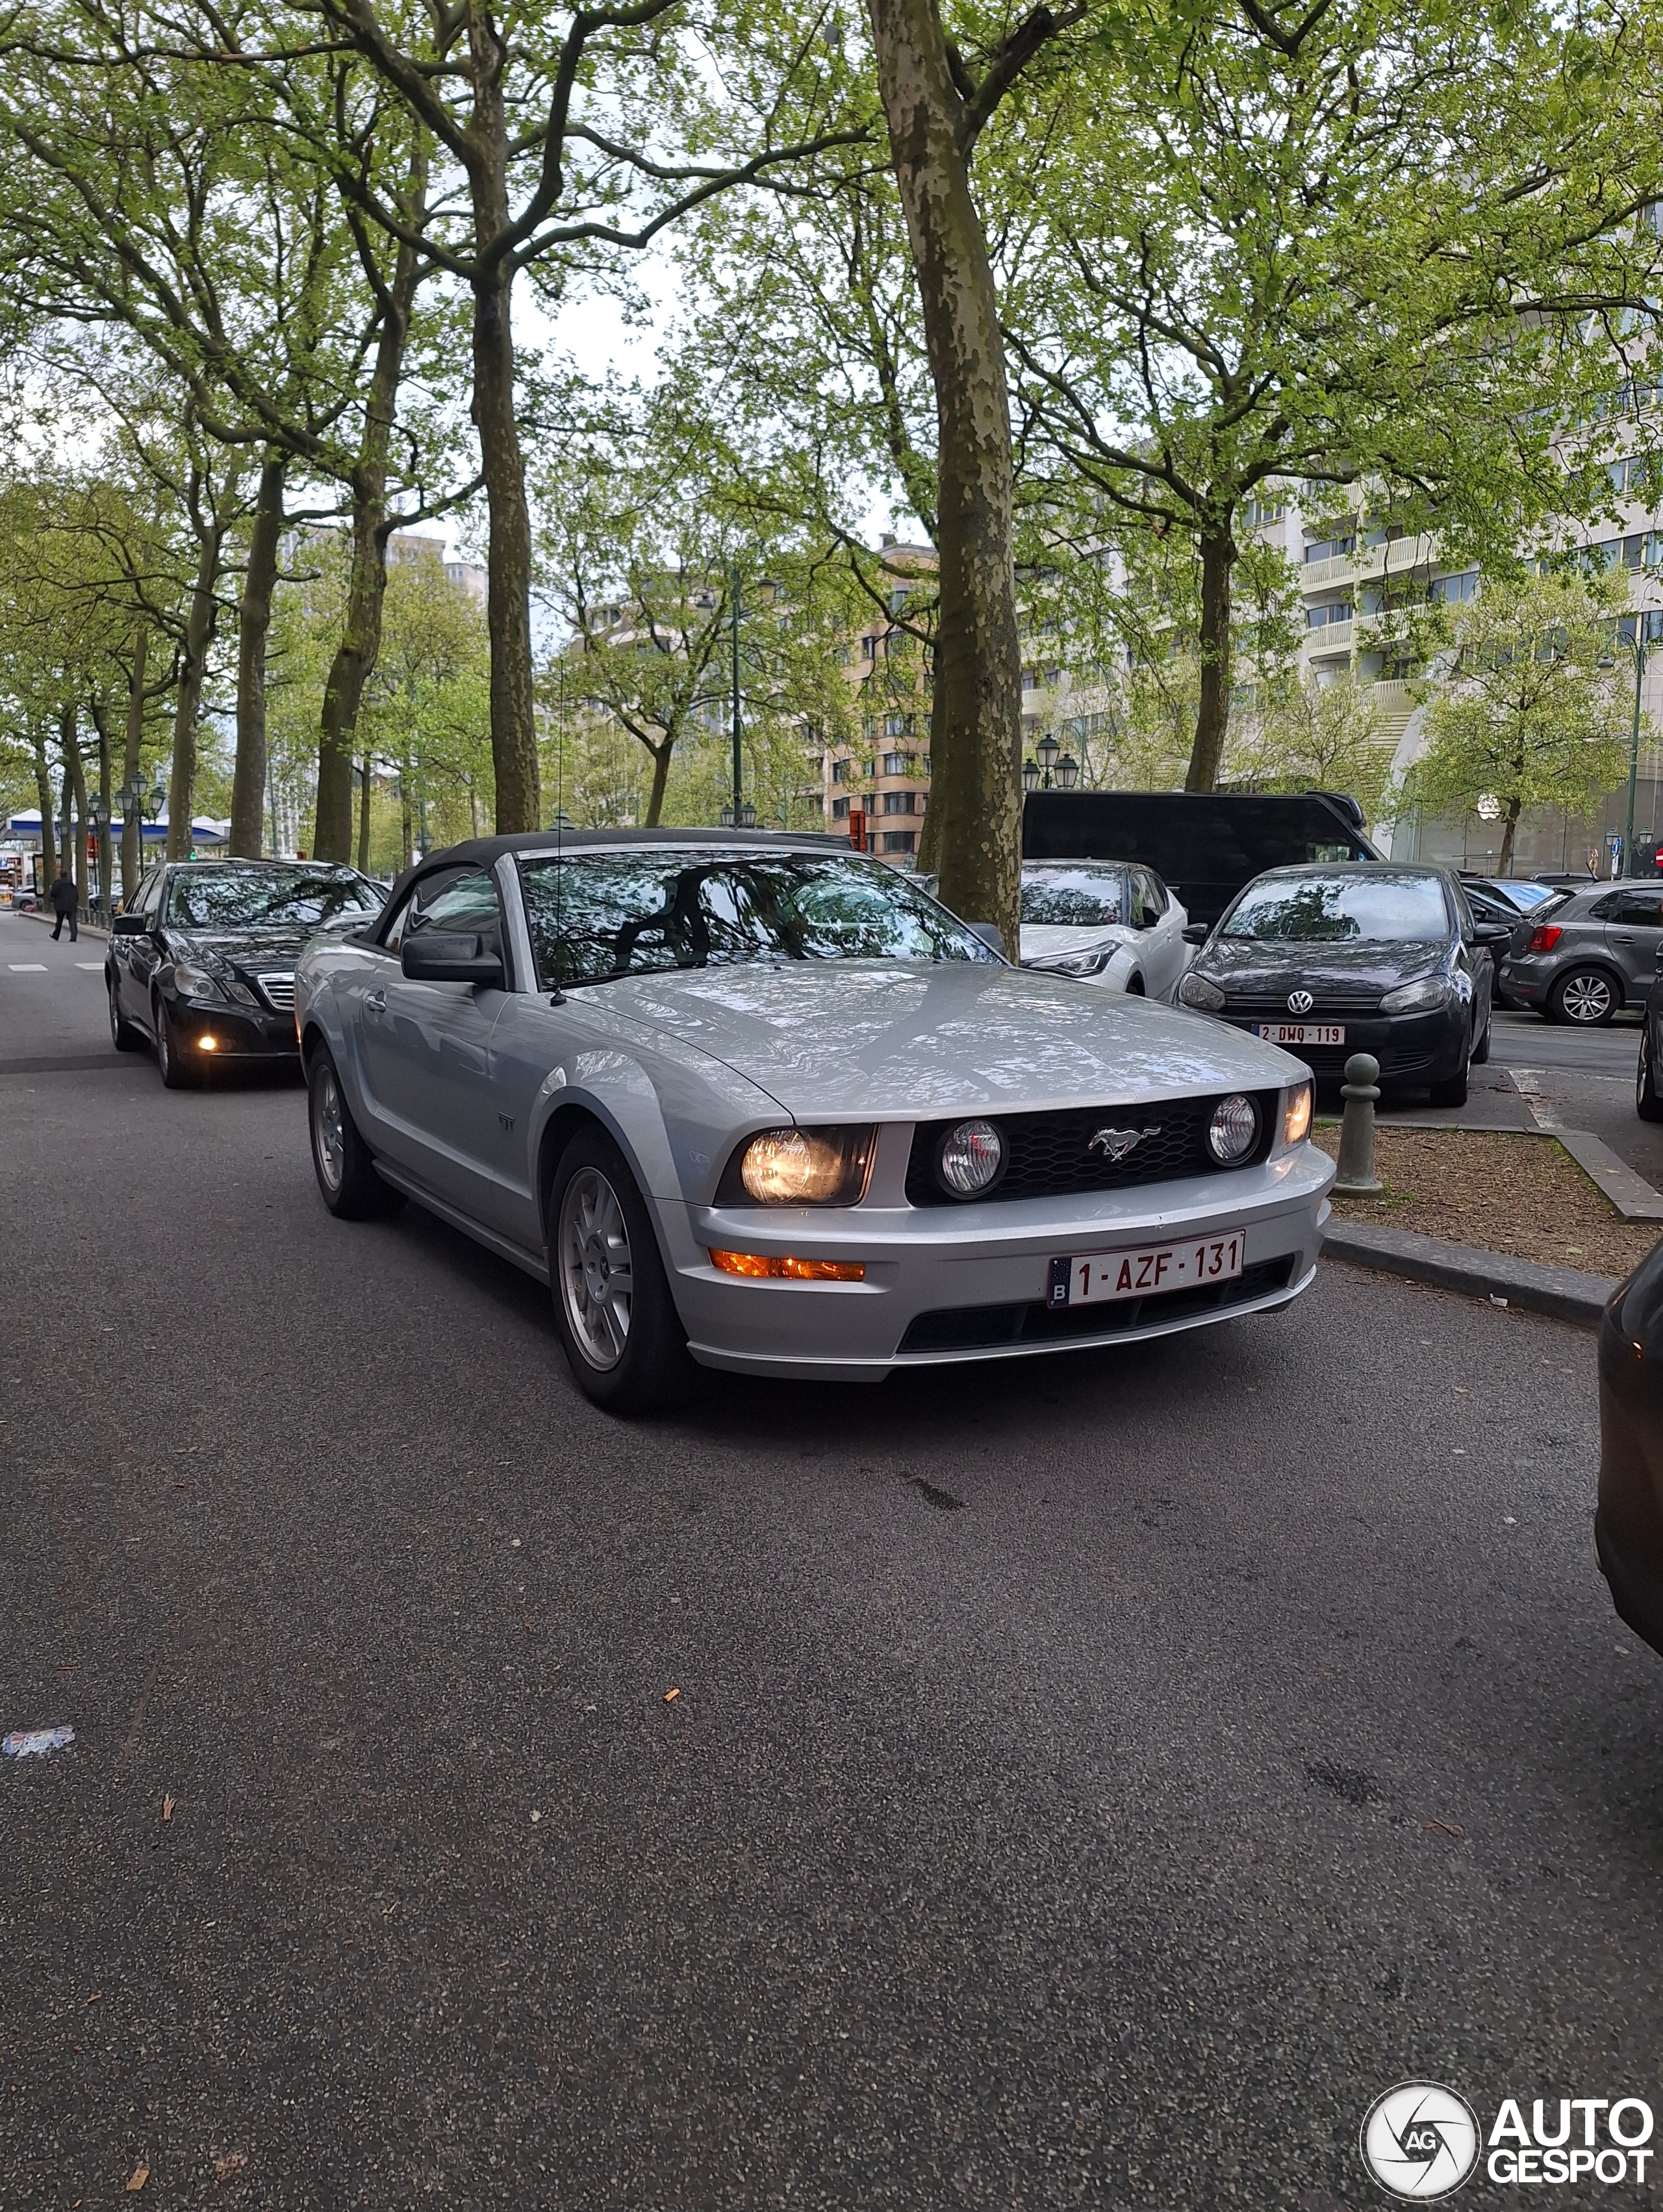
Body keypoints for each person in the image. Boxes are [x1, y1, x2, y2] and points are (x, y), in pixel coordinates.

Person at [48, 865, 79, 942]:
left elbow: (53, 894)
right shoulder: (71, 885)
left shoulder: (57, 883)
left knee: (59, 921)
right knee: (72, 921)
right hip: (71, 905)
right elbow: (76, 895)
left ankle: (56, 935)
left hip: (60, 905)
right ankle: (73, 937)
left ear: (60, 875)